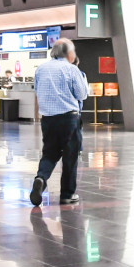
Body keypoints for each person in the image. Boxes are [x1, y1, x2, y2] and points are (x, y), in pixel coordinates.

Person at [30, 39, 88, 207]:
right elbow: (82, 94)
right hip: (69, 118)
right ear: (69, 54)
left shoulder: (41, 69)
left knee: (50, 152)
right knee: (70, 156)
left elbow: (37, 90)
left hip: (48, 119)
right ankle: (67, 195)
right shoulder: (71, 69)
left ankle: (41, 178)